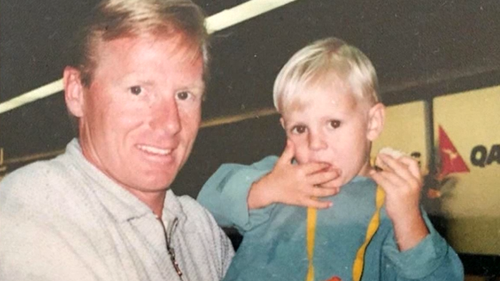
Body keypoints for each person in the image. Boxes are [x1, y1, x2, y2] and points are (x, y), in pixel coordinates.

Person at [0, 0, 234, 280]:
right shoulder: (33, 210)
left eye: (184, 95)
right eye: (138, 90)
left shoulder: (198, 227)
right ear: (76, 92)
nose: (170, 123)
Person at [197, 37, 464, 281]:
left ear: (373, 122)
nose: (315, 144)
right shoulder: (280, 177)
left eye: (333, 123)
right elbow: (206, 205)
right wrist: (264, 189)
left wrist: (407, 220)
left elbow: (443, 277)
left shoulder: (391, 202)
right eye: (300, 129)